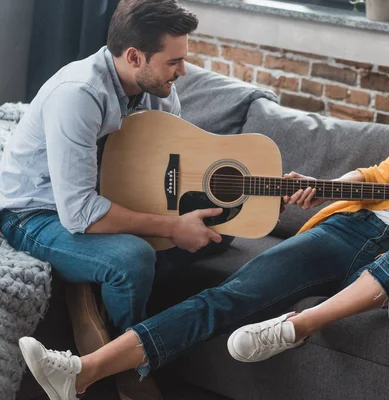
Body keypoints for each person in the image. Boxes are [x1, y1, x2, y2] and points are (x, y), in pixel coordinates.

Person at [18, 87, 389, 399]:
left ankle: (296, 326)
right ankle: (80, 372)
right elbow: (375, 175)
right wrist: (328, 191)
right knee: (226, 298)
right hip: (349, 232)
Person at [0, 1, 225, 398]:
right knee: (131, 259)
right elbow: (80, 213)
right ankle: (127, 366)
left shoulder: (157, 91)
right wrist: (173, 226)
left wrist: (266, 187)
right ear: (135, 56)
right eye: (174, 61)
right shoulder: (79, 95)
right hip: (35, 212)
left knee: (219, 230)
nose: (184, 71)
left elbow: (174, 165)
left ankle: (90, 289)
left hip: (104, 197)